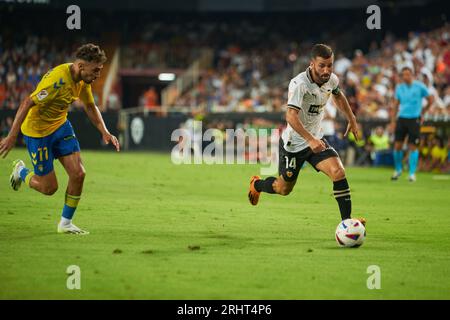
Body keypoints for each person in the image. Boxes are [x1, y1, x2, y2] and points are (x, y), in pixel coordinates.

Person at [0, 44, 120, 234]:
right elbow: (27, 102)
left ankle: (65, 224)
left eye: (100, 70)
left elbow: (90, 106)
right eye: (95, 70)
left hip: (60, 126)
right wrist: (12, 135)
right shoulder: (57, 80)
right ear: (81, 66)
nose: (98, 75)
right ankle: (21, 171)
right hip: (37, 132)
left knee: (79, 174)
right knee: (49, 188)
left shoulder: (82, 81)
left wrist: (104, 131)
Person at [247, 44, 365, 225]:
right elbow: (290, 116)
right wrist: (309, 140)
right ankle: (257, 185)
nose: (326, 70)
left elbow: (338, 96)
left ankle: (347, 223)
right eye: (322, 65)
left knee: (338, 172)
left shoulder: (331, 80)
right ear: (312, 64)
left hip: (317, 140)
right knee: (283, 189)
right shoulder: (299, 84)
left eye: (330, 65)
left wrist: (352, 118)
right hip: (294, 144)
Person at [391, 66, 433, 182]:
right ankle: (398, 170)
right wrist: (393, 121)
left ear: (412, 75)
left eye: (408, 74)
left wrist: (423, 112)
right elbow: (396, 105)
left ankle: (411, 173)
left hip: (414, 119)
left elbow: (430, 99)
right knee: (397, 145)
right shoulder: (399, 88)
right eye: (403, 75)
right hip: (402, 118)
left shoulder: (420, 86)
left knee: (412, 146)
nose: (406, 77)